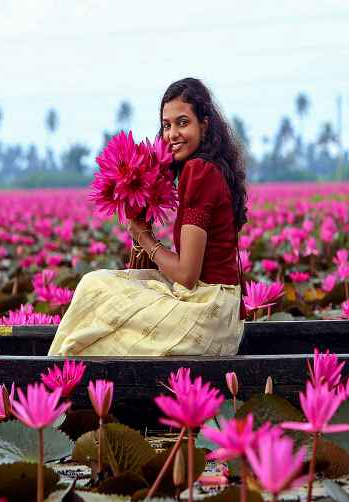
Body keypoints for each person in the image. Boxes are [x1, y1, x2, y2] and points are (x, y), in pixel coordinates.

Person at [48, 77, 248, 356]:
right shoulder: (205, 168)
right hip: (219, 311)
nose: (172, 134)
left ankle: (55, 371)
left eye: (182, 122)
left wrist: (143, 236)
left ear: (204, 124)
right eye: (167, 125)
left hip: (206, 313)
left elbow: (187, 274)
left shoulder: (199, 171)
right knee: (100, 285)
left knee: (95, 292)